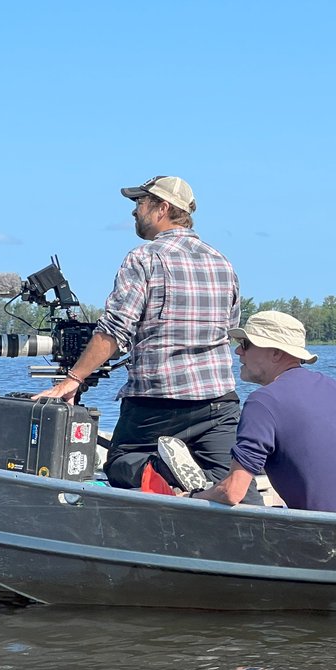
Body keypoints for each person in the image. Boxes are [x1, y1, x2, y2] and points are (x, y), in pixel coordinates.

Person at [36, 175, 246, 496]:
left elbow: (115, 329)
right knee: (221, 485)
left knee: (121, 462)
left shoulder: (144, 258)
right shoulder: (223, 262)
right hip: (220, 403)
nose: (134, 212)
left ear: (162, 208)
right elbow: (229, 328)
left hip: (158, 404)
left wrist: (74, 378)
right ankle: (185, 486)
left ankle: (161, 471)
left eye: (140, 203)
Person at [189, 311, 336, 515]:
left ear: (275, 353)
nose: (238, 351)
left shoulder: (262, 402)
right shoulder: (330, 385)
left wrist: (195, 496)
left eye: (245, 344)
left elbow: (233, 491)